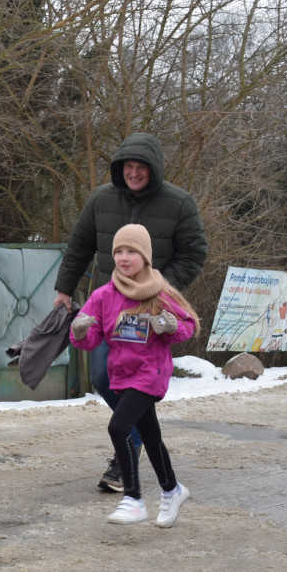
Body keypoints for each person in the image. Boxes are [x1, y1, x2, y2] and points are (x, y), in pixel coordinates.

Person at [53, 133, 207, 493]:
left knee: (139, 381)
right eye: (128, 167)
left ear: (154, 170)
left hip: (151, 312)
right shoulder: (100, 199)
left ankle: (128, 453)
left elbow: (195, 253)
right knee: (103, 376)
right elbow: (79, 247)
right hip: (108, 308)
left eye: (141, 168)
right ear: (119, 169)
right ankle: (136, 439)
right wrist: (64, 290)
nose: (134, 174)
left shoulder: (179, 203)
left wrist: (160, 288)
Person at [69, 224, 200, 527]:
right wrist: (79, 331)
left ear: (145, 256)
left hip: (150, 373)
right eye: (118, 251)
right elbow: (90, 338)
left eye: (131, 252)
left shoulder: (160, 292)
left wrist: (169, 326)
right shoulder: (103, 296)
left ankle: (133, 498)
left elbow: (188, 327)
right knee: (151, 437)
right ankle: (172, 490)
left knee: (118, 427)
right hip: (122, 374)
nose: (124, 258)